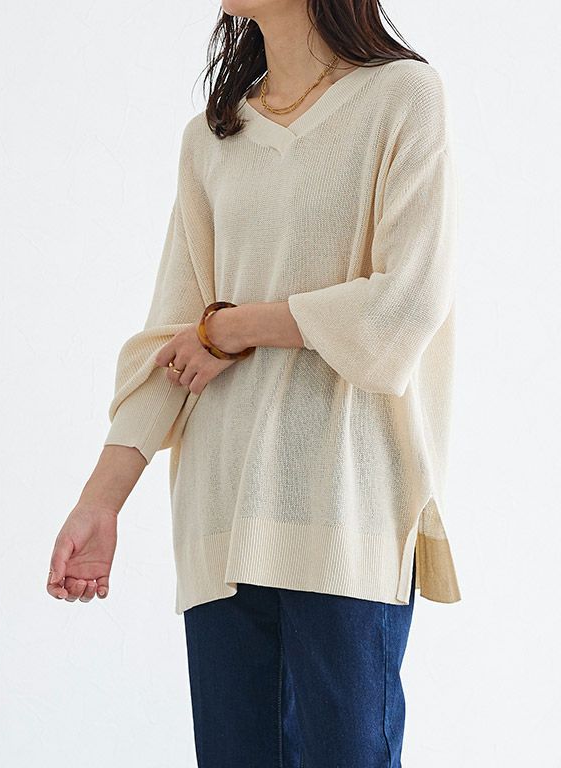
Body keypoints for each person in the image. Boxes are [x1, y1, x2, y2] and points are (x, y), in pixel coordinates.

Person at [47, 1, 462, 765]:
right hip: (222, 515)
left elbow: (405, 303)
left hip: (344, 507)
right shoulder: (213, 136)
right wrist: (99, 503)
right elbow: (170, 341)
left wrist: (237, 328)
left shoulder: (403, 96)